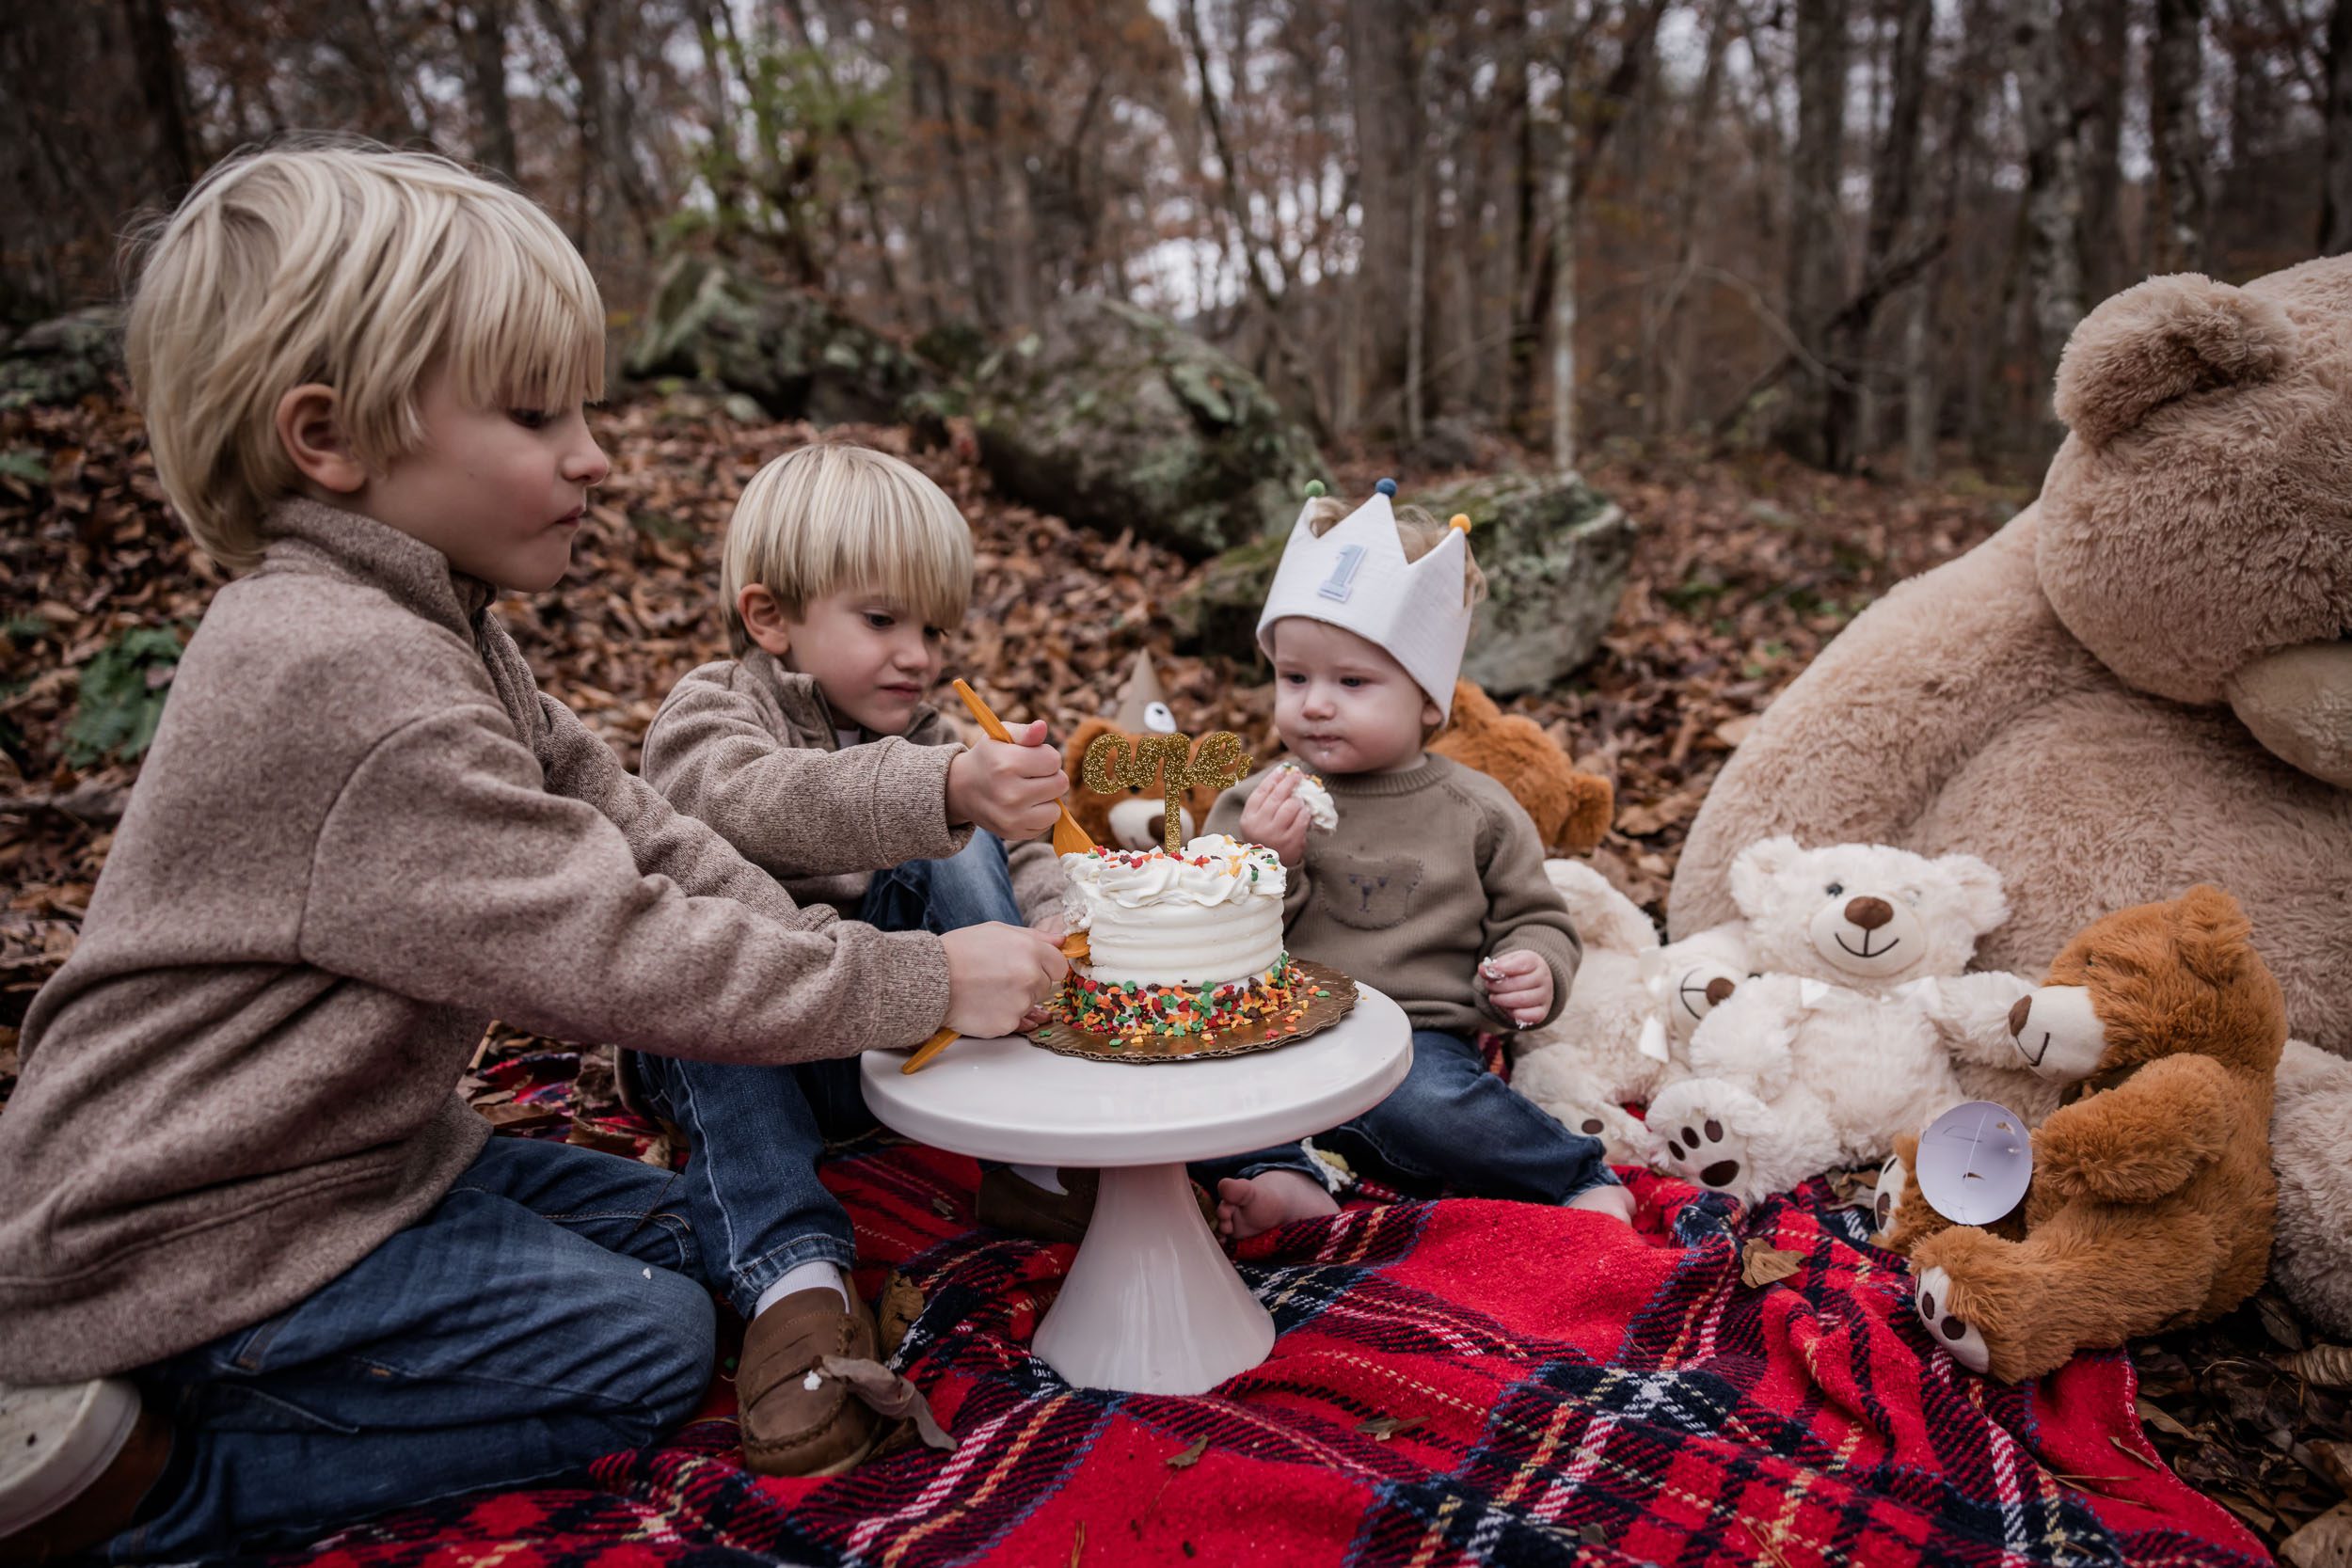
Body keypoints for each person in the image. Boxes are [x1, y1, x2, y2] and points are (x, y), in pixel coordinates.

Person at [0, 139, 1066, 1560]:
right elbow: (613, 945)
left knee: (708, 1239)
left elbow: (646, 831)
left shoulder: (444, 632)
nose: (592, 454)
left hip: (358, 1153)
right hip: (191, 1221)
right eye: (531, 411)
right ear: (331, 438)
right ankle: (138, 1478)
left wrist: (849, 953)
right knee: (647, 1340)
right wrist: (914, 979)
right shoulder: (337, 670)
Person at [1202, 483, 1634, 1239]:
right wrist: (1270, 863)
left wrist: (1535, 966)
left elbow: (1535, 916)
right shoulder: (1254, 805)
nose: (1315, 704)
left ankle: (1573, 1175)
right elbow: (1205, 937)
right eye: (1294, 677)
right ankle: (1284, 1175)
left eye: (1353, 682)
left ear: (1429, 700)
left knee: (1434, 1106)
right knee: (1205, 1089)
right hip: (1274, 1023)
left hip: (1413, 1035)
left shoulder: (1475, 808)